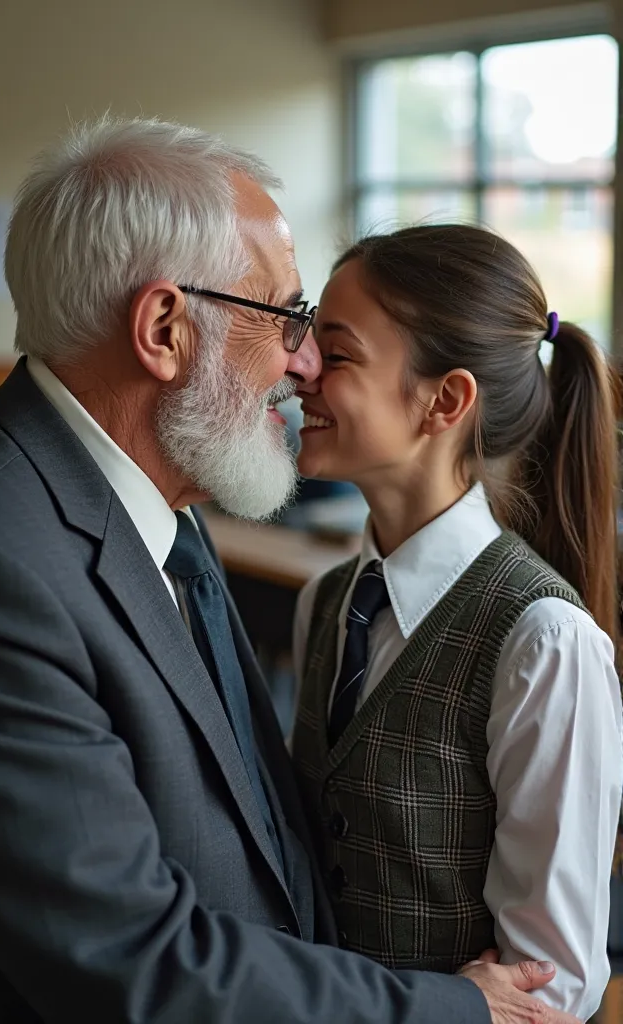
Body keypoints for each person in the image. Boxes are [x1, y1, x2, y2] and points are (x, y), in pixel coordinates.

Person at [0, 118, 575, 1024]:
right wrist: (451, 1009)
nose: (306, 361)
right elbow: (130, 960)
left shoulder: (166, 500)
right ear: (165, 328)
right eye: (284, 315)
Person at [292, 224, 623, 1022]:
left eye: (335, 354)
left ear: (445, 399)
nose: (297, 367)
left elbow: (554, 987)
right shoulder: (325, 602)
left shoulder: (545, 640)